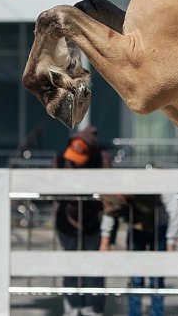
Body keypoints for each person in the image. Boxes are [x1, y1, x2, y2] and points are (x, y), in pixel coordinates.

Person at [55, 125, 111, 316]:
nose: (75, 163)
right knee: (70, 270)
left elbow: (111, 200)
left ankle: (93, 310)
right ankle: (71, 310)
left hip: (93, 223)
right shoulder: (64, 158)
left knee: (94, 271)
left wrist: (107, 236)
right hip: (66, 224)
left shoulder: (102, 161)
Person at [100, 192, 178, 316]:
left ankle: (157, 313)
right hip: (136, 230)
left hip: (159, 229)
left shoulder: (157, 185)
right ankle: (134, 313)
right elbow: (110, 210)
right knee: (135, 278)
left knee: (157, 279)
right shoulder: (121, 189)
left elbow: (175, 212)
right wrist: (105, 241)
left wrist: (170, 242)